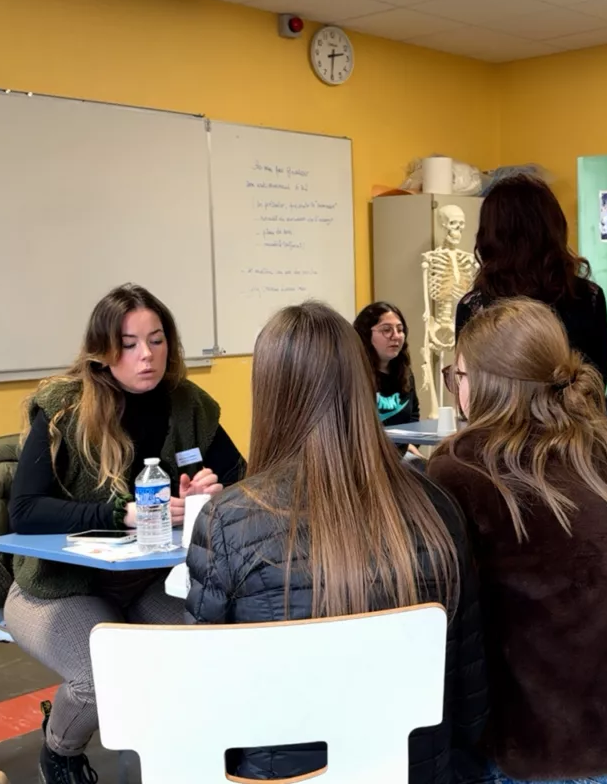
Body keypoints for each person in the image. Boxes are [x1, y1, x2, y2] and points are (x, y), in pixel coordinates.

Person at [187, 302, 486, 784]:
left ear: (267, 394)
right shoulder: (438, 505)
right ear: (361, 381)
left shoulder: (228, 521)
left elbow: (205, 701)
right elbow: (470, 695)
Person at [428, 298, 607, 784]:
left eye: (456, 376)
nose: (454, 389)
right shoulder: (606, 446)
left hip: (561, 755)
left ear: (483, 384)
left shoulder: (464, 467)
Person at [4, 283, 247, 784]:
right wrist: (124, 514)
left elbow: (243, 478)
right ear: (103, 350)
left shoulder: (190, 405)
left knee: (212, 652)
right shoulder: (63, 407)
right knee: (99, 678)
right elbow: (25, 511)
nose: (147, 356)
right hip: (58, 584)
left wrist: (213, 489)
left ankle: (174, 759)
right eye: (130, 344)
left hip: (147, 580)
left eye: (157, 341)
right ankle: (60, 751)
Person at [454, 174, 607, 380]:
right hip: (570, 412)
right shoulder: (587, 297)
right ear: (554, 229)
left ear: (489, 235)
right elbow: (595, 383)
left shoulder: (475, 306)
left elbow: (468, 387)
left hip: (501, 413)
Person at [354, 301, 421, 455]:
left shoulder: (405, 373)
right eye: (386, 330)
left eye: (400, 329)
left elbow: (413, 416)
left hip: (399, 455)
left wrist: (408, 446)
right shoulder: (353, 375)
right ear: (365, 334)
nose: (396, 336)